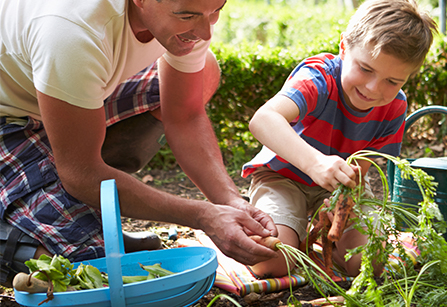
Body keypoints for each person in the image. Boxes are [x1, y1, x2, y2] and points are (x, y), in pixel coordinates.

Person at [0, 0, 279, 287]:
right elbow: (81, 173)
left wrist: (229, 201)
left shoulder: (187, 19)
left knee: (202, 72)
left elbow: (183, 115)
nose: (205, 32)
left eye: (216, 10)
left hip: (58, 92)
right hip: (9, 116)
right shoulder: (73, 31)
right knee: (87, 265)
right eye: (187, 15)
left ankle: (76, 190)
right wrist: (204, 216)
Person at [241, 0, 437, 278]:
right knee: (271, 262)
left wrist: (341, 200)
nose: (373, 88)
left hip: (340, 189)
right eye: (366, 69)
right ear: (344, 47)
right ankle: (290, 231)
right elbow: (263, 120)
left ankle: (315, 236)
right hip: (283, 177)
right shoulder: (318, 77)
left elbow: (362, 170)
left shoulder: (395, 108)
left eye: (392, 81)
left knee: (368, 265)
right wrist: (314, 164)